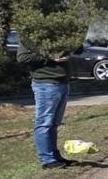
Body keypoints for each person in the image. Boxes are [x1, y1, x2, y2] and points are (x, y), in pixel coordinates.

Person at [18, 37, 76, 170]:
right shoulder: (30, 33)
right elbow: (23, 57)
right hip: (46, 84)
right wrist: (50, 57)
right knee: (44, 123)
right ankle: (47, 160)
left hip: (63, 82)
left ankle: (55, 156)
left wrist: (75, 40)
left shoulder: (61, 31)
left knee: (54, 123)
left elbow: (79, 50)